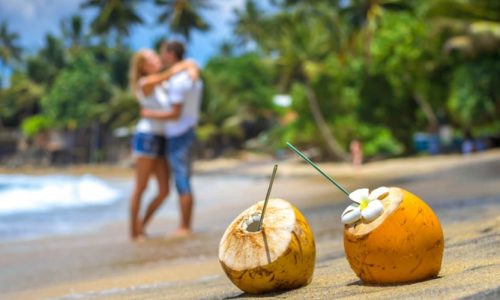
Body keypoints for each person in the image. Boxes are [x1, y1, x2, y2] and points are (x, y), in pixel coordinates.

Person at [128, 49, 198, 241]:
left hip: (163, 138)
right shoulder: (146, 83)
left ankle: (141, 226)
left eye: (155, 56)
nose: (156, 59)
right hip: (147, 137)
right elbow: (169, 74)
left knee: (164, 191)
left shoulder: (163, 84)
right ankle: (134, 233)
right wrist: (186, 64)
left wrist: (191, 67)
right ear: (142, 66)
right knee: (140, 188)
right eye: (150, 58)